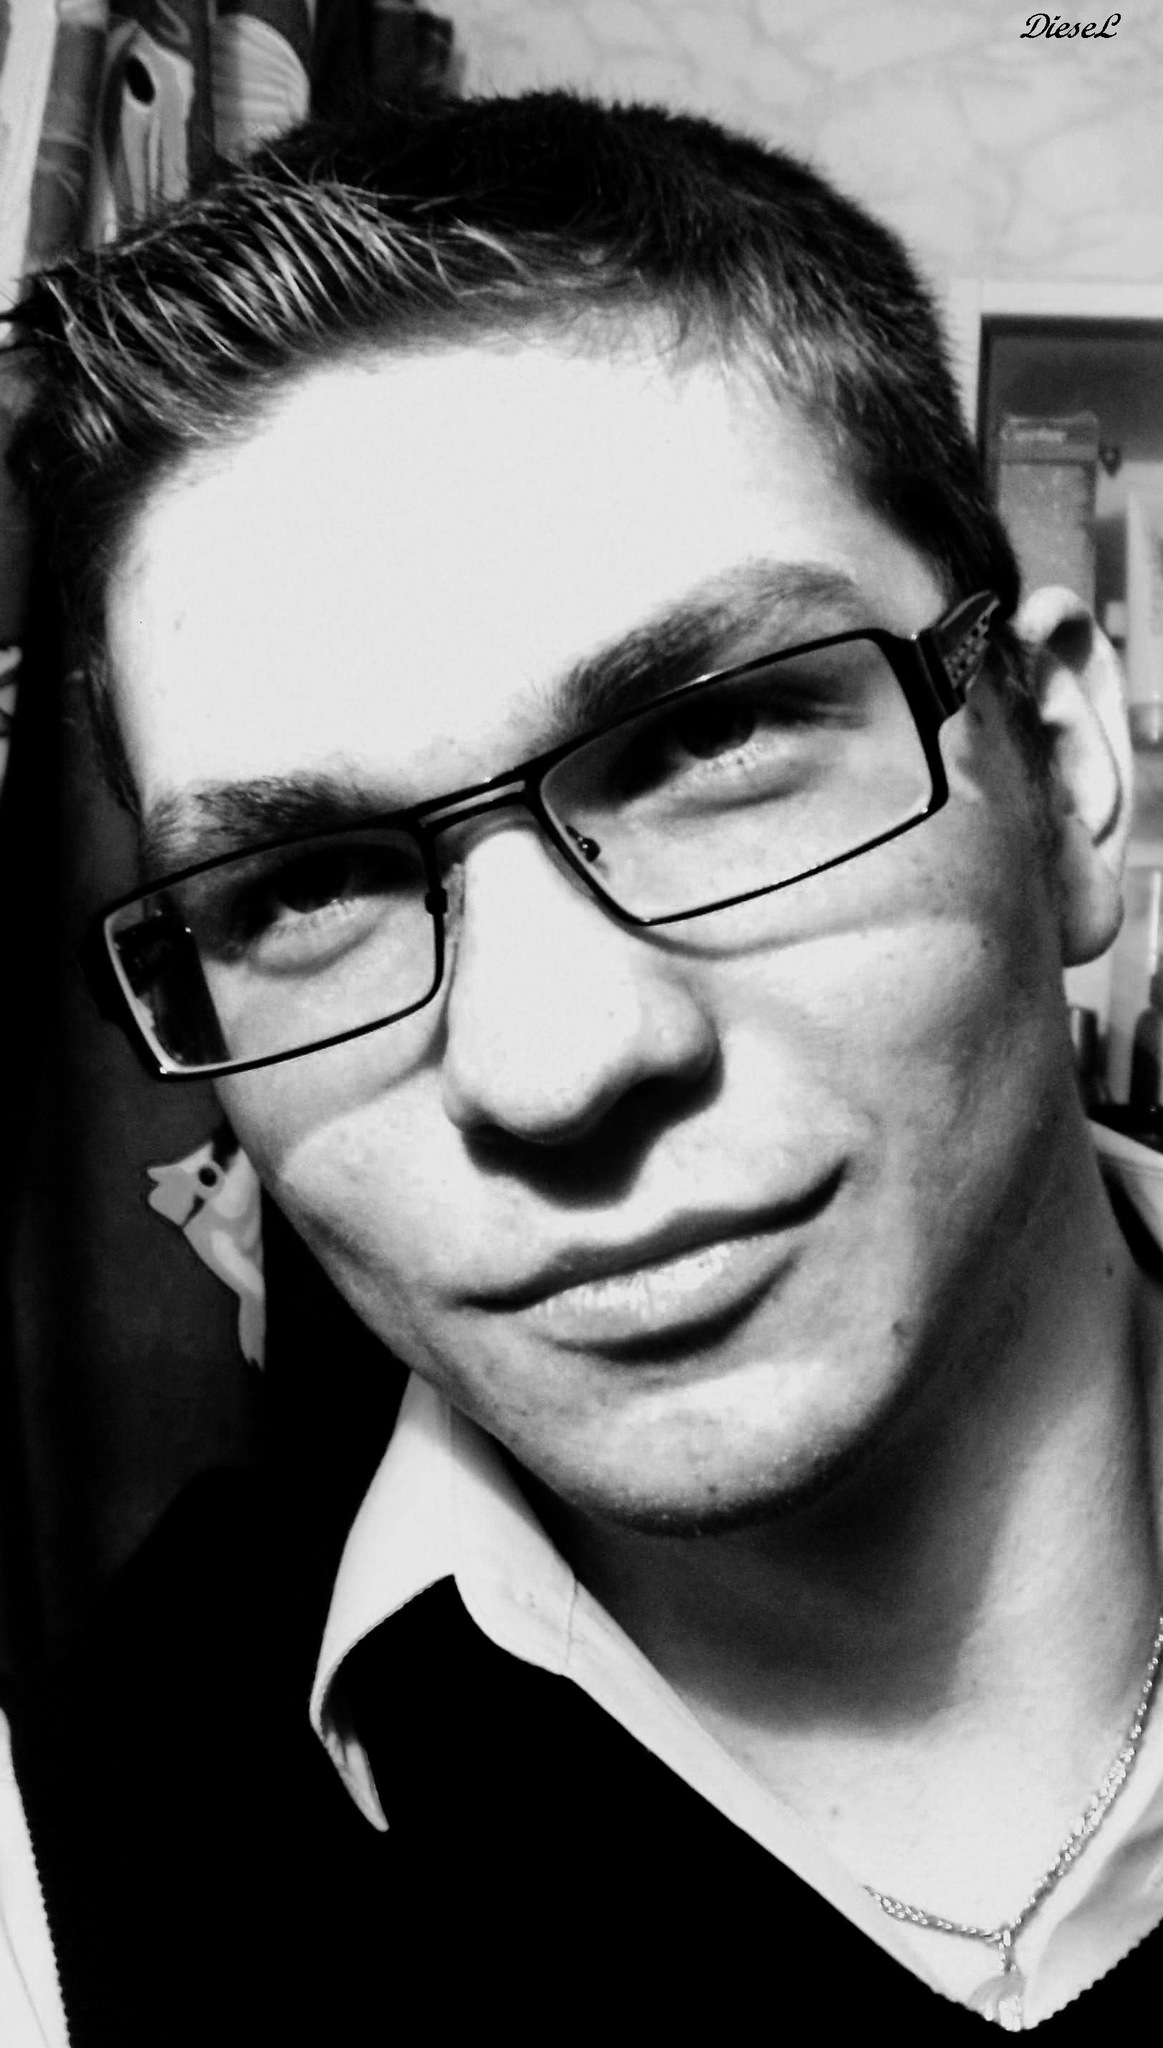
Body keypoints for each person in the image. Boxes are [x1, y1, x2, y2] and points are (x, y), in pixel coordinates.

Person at [4, 89, 1163, 2042]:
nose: (552, 1066)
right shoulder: (71, 1860)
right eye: (309, 884)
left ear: (1059, 773)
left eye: (712, 742)